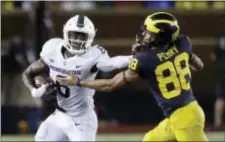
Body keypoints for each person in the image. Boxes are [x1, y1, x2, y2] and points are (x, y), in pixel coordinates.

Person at [57, 12, 208, 141]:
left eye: (150, 33)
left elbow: (111, 84)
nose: (145, 35)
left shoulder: (144, 60)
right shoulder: (183, 43)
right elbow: (199, 66)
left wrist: (78, 82)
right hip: (185, 112)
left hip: (184, 119)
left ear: (161, 36)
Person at [22, 14, 132, 141]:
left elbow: (113, 63)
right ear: (66, 33)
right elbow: (27, 73)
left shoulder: (93, 54)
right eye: (74, 34)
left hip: (82, 120)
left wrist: (133, 59)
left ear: (90, 37)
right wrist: (35, 90)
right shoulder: (52, 48)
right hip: (61, 115)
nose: (77, 40)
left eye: (82, 35)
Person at [211, 36, 225, 130]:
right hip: (221, 74)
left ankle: (217, 124)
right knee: (220, 99)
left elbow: (212, 57)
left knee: (220, 99)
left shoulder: (220, 39)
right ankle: (217, 124)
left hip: (221, 74)